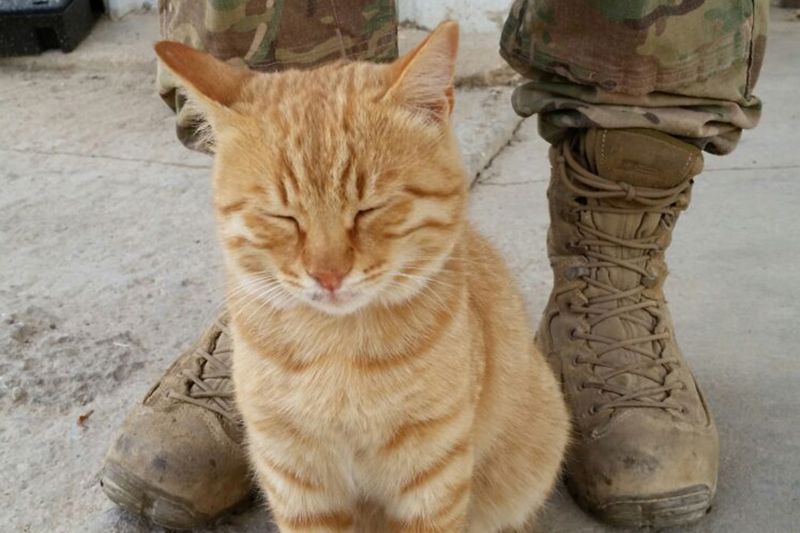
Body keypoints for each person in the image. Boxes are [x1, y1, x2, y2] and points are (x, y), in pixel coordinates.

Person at [100, 0, 768, 529]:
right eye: (284, 221)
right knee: (294, 463)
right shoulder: (266, 172)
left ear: (434, 108)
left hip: (478, 453)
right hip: (278, 300)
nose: (328, 268)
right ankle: (256, 310)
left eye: (371, 214)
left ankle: (610, 268)